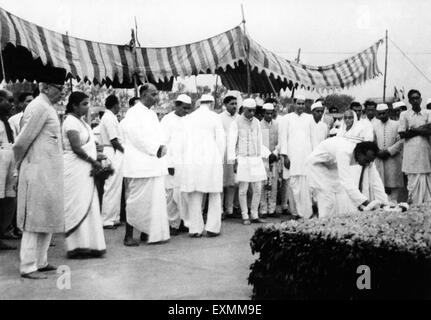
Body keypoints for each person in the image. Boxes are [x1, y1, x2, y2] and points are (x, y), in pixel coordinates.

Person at [13, 73, 66, 279]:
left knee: (48, 216)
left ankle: (41, 261)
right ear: (45, 87)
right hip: (36, 171)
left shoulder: (48, 107)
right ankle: (27, 266)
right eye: (58, 87)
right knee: (33, 220)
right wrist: (19, 169)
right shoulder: (38, 106)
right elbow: (21, 142)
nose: (61, 92)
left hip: (50, 173)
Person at [122, 83, 170, 245]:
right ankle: (128, 236)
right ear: (143, 95)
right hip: (139, 165)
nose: (157, 98)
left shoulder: (151, 114)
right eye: (153, 94)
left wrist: (162, 148)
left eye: (157, 94)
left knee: (152, 202)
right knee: (136, 201)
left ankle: (146, 232)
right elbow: (136, 137)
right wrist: (156, 149)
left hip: (153, 165)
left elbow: (159, 136)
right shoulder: (133, 113)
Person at [62, 92, 106, 258]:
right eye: (84, 104)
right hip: (75, 168)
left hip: (84, 167)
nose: (87, 107)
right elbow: (76, 147)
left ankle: (90, 244)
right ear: (74, 105)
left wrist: (97, 155)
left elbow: (88, 144)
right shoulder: (70, 121)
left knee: (89, 202)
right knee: (77, 204)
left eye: (88, 104)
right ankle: (76, 246)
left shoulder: (81, 122)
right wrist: (93, 160)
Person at [306, 138, 388, 218]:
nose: (367, 163)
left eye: (370, 161)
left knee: (338, 196)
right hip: (316, 164)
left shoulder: (368, 157)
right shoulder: (344, 152)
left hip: (330, 165)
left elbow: (376, 181)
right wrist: (367, 203)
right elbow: (346, 181)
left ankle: (333, 225)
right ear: (359, 153)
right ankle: (322, 225)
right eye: (366, 160)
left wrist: (385, 203)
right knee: (327, 198)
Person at [180, 94, 225, 236]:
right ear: (212, 103)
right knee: (214, 194)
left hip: (193, 158)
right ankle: (213, 228)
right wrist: (220, 159)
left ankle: (195, 229)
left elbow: (184, 141)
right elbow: (221, 142)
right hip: (211, 157)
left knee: (194, 193)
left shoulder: (189, 117)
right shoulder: (215, 117)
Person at [228, 98, 266, 224]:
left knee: (257, 188)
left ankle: (254, 214)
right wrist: (232, 161)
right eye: (249, 110)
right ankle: (245, 215)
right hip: (243, 159)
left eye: (254, 110)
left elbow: (260, 141)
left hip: (255, 159)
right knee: (243, 189)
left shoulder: (257, 122)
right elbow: (232, 142)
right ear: (244, 109)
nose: (252, 113)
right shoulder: (236, 122)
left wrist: (261, 157)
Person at [161, 94, 192, 235]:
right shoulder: (167, 120)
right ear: (177, 105)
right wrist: (169, 164)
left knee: (184, 195)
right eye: (185, 108)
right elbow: (164, 143)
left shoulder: (189, 120)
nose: (187, 111)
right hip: (172, 163)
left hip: (186, 164)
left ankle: (183, 222)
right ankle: (172, 224)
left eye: (188, 108)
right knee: (171, 196)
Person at [279, 95, 314, 219]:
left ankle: (306, 213)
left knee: (306, 186)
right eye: (298, 103)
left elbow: (312, 138)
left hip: (306, 157)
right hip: (292, 157)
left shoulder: (309, 118)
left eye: (303, 104)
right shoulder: (286, 118)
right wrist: (285, 156)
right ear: (294, 104)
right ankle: (294, 212)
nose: (301, 106)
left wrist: (313, 157)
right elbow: (283, 138)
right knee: (292, 186)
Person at [398, 89, 431, 204]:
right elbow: (402, 133)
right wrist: (423, 128)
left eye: (417, 98)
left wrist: (412, 129)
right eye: (413, 98)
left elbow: (430, 129)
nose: (416, 100)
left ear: (421, 99)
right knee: (412, 183)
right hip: (411, 155)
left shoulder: (428, 113)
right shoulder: (404, 114)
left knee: (427, 182)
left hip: (424, 154)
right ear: (409, 101)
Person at [99, 94, 124, 229]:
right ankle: (107, 219)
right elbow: (114, 140)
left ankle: (114, 217)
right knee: (110, 186)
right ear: (115, 105)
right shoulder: (108, 118)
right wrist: (125, 151)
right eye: (119, 104)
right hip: (112, 151)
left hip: (114, 152)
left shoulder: (111, 117)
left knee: (116, 186)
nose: (119, 106)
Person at [373, 104, 404, 202]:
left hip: (393, 159)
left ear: (388, 112)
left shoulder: (397, 124)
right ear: (377, 115)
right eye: (380, 114)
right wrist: (377, 152)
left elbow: (401, 141)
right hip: (380, 159)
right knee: (381, 185)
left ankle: (394, 206)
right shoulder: (374, 126)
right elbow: (373, 141)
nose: (382, 116)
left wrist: (389, 151)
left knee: (394, 184)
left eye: (384, 113)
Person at [0, 92, 17, 250]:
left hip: (10, 157)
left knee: (9, 197)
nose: (12, 104)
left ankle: (3, 231)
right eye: (9, 101)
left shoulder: (9, 122)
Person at [219, 94, 238, 219]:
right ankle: (219, 209)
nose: (234, 106)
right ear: (225, 105)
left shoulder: (239, 118)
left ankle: (230, 209)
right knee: (220, 182)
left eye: (236, 104)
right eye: (232, 104)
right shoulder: (219, 118)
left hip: (234, 153)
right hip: (222, 153)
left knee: (233, 183)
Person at [259, 102, 280, 218]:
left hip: (274, 158)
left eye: (271, 114)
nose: (269, 116)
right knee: (263, 184)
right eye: (267, 113)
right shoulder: (258, 125)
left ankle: (272, 209)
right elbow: (258, 143)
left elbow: (281, 141)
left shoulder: (277, 125)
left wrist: (275, 153)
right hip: (263, 159)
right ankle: (263, 209)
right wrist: (267, 155)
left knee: (274, 184)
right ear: (263, 113)